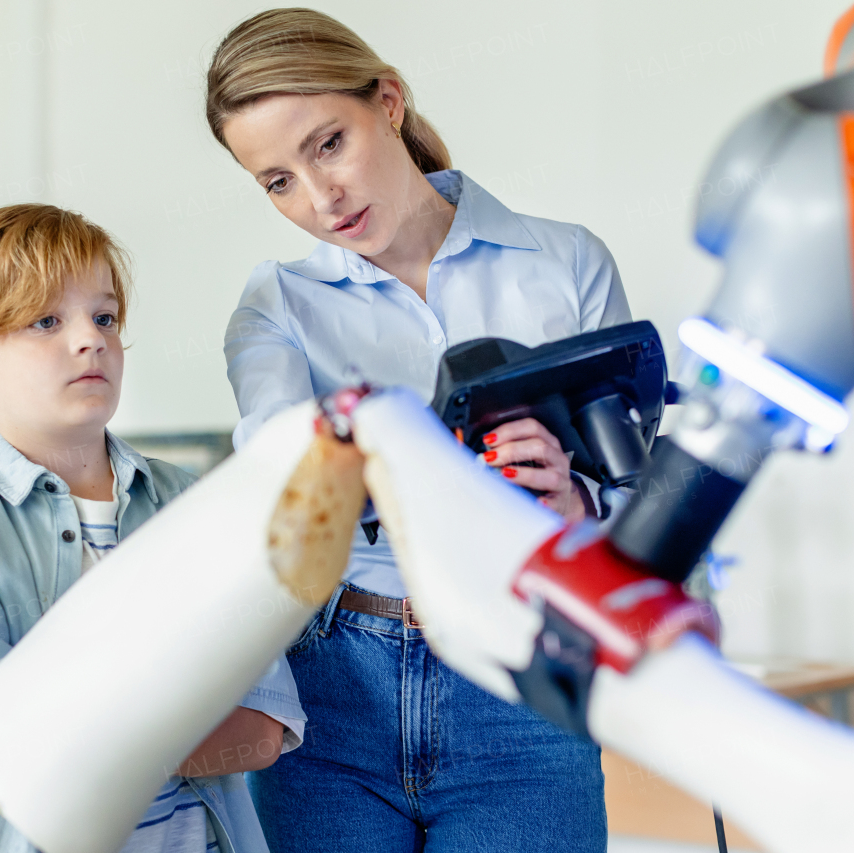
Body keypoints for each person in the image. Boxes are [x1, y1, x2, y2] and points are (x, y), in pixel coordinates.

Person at [207, 9, 629, 852]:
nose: (320, 197)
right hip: (334, 690)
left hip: (522, 677)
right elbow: (282, 484)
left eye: (329, 143)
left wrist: (576, 501)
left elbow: (639, 495)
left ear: (389, 102)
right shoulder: (275, 306)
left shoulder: (565, 263)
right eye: (277, 180)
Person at [0, 203, 305, 853]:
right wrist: (175, 726)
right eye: (46, 320)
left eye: (105, 317)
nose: (91, 339)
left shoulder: (193, 501)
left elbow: (261, 729)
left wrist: (86, 739)